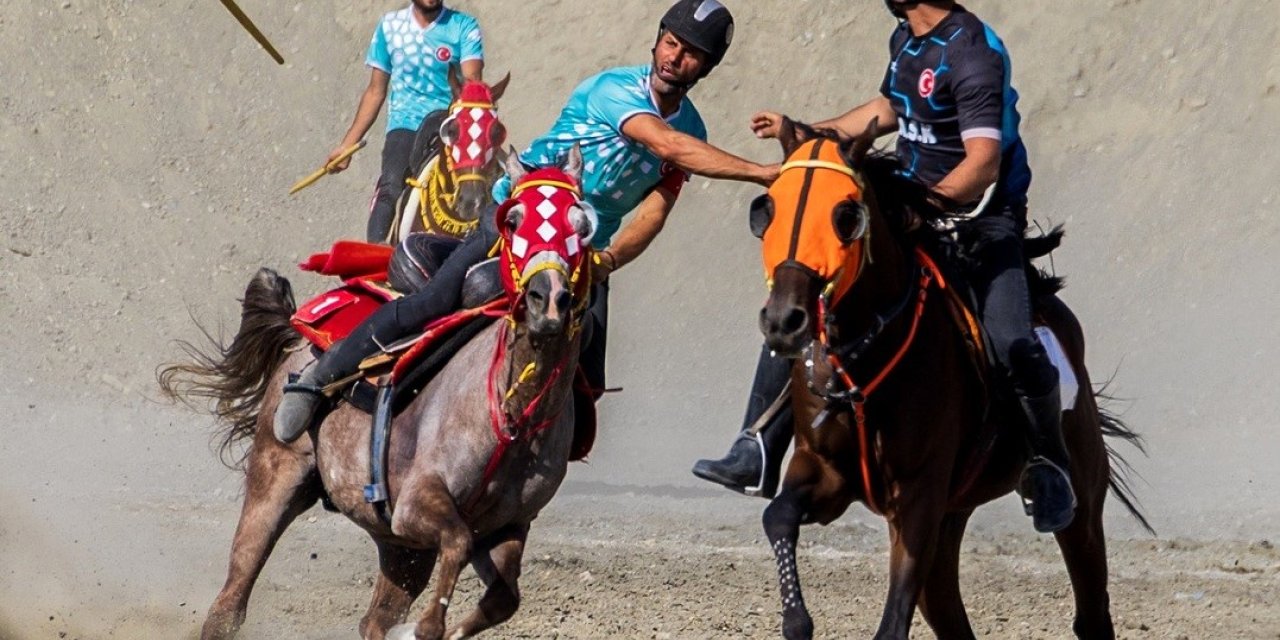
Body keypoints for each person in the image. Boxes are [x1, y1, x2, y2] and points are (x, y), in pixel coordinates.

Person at [273, 0, 780, 445]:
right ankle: (320, 378)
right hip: (519, 222)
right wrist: (761, 173)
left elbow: (656, 207)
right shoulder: (613, 90)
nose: (674, 57)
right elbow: (666, 145)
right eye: (670, 42)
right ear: (657, 42)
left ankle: (522, 456)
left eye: (691, 52)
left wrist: (609, 259)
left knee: (588, 378)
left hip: (578, 251)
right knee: (436, 302)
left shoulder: (693, 128)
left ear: (706, 67)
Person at [693, 0, 1077, 534]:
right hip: (909, 207)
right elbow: (886, 111)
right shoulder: (908, 39)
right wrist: (805, 132)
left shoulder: (972, 52)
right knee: (807, 293)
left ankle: (1049, 464)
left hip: (981, 221)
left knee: (1011, 339)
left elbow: (983, 161)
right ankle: (757, 444)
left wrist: (924, 207)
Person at [326, 0, 486, 243]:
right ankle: (375, 261)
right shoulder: (389, 26)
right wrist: (348, 145)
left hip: (451, 125)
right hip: (406, 123)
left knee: (488, 185)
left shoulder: (463, 26)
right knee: (391, 185)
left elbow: (472, 83)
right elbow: (375, 91)